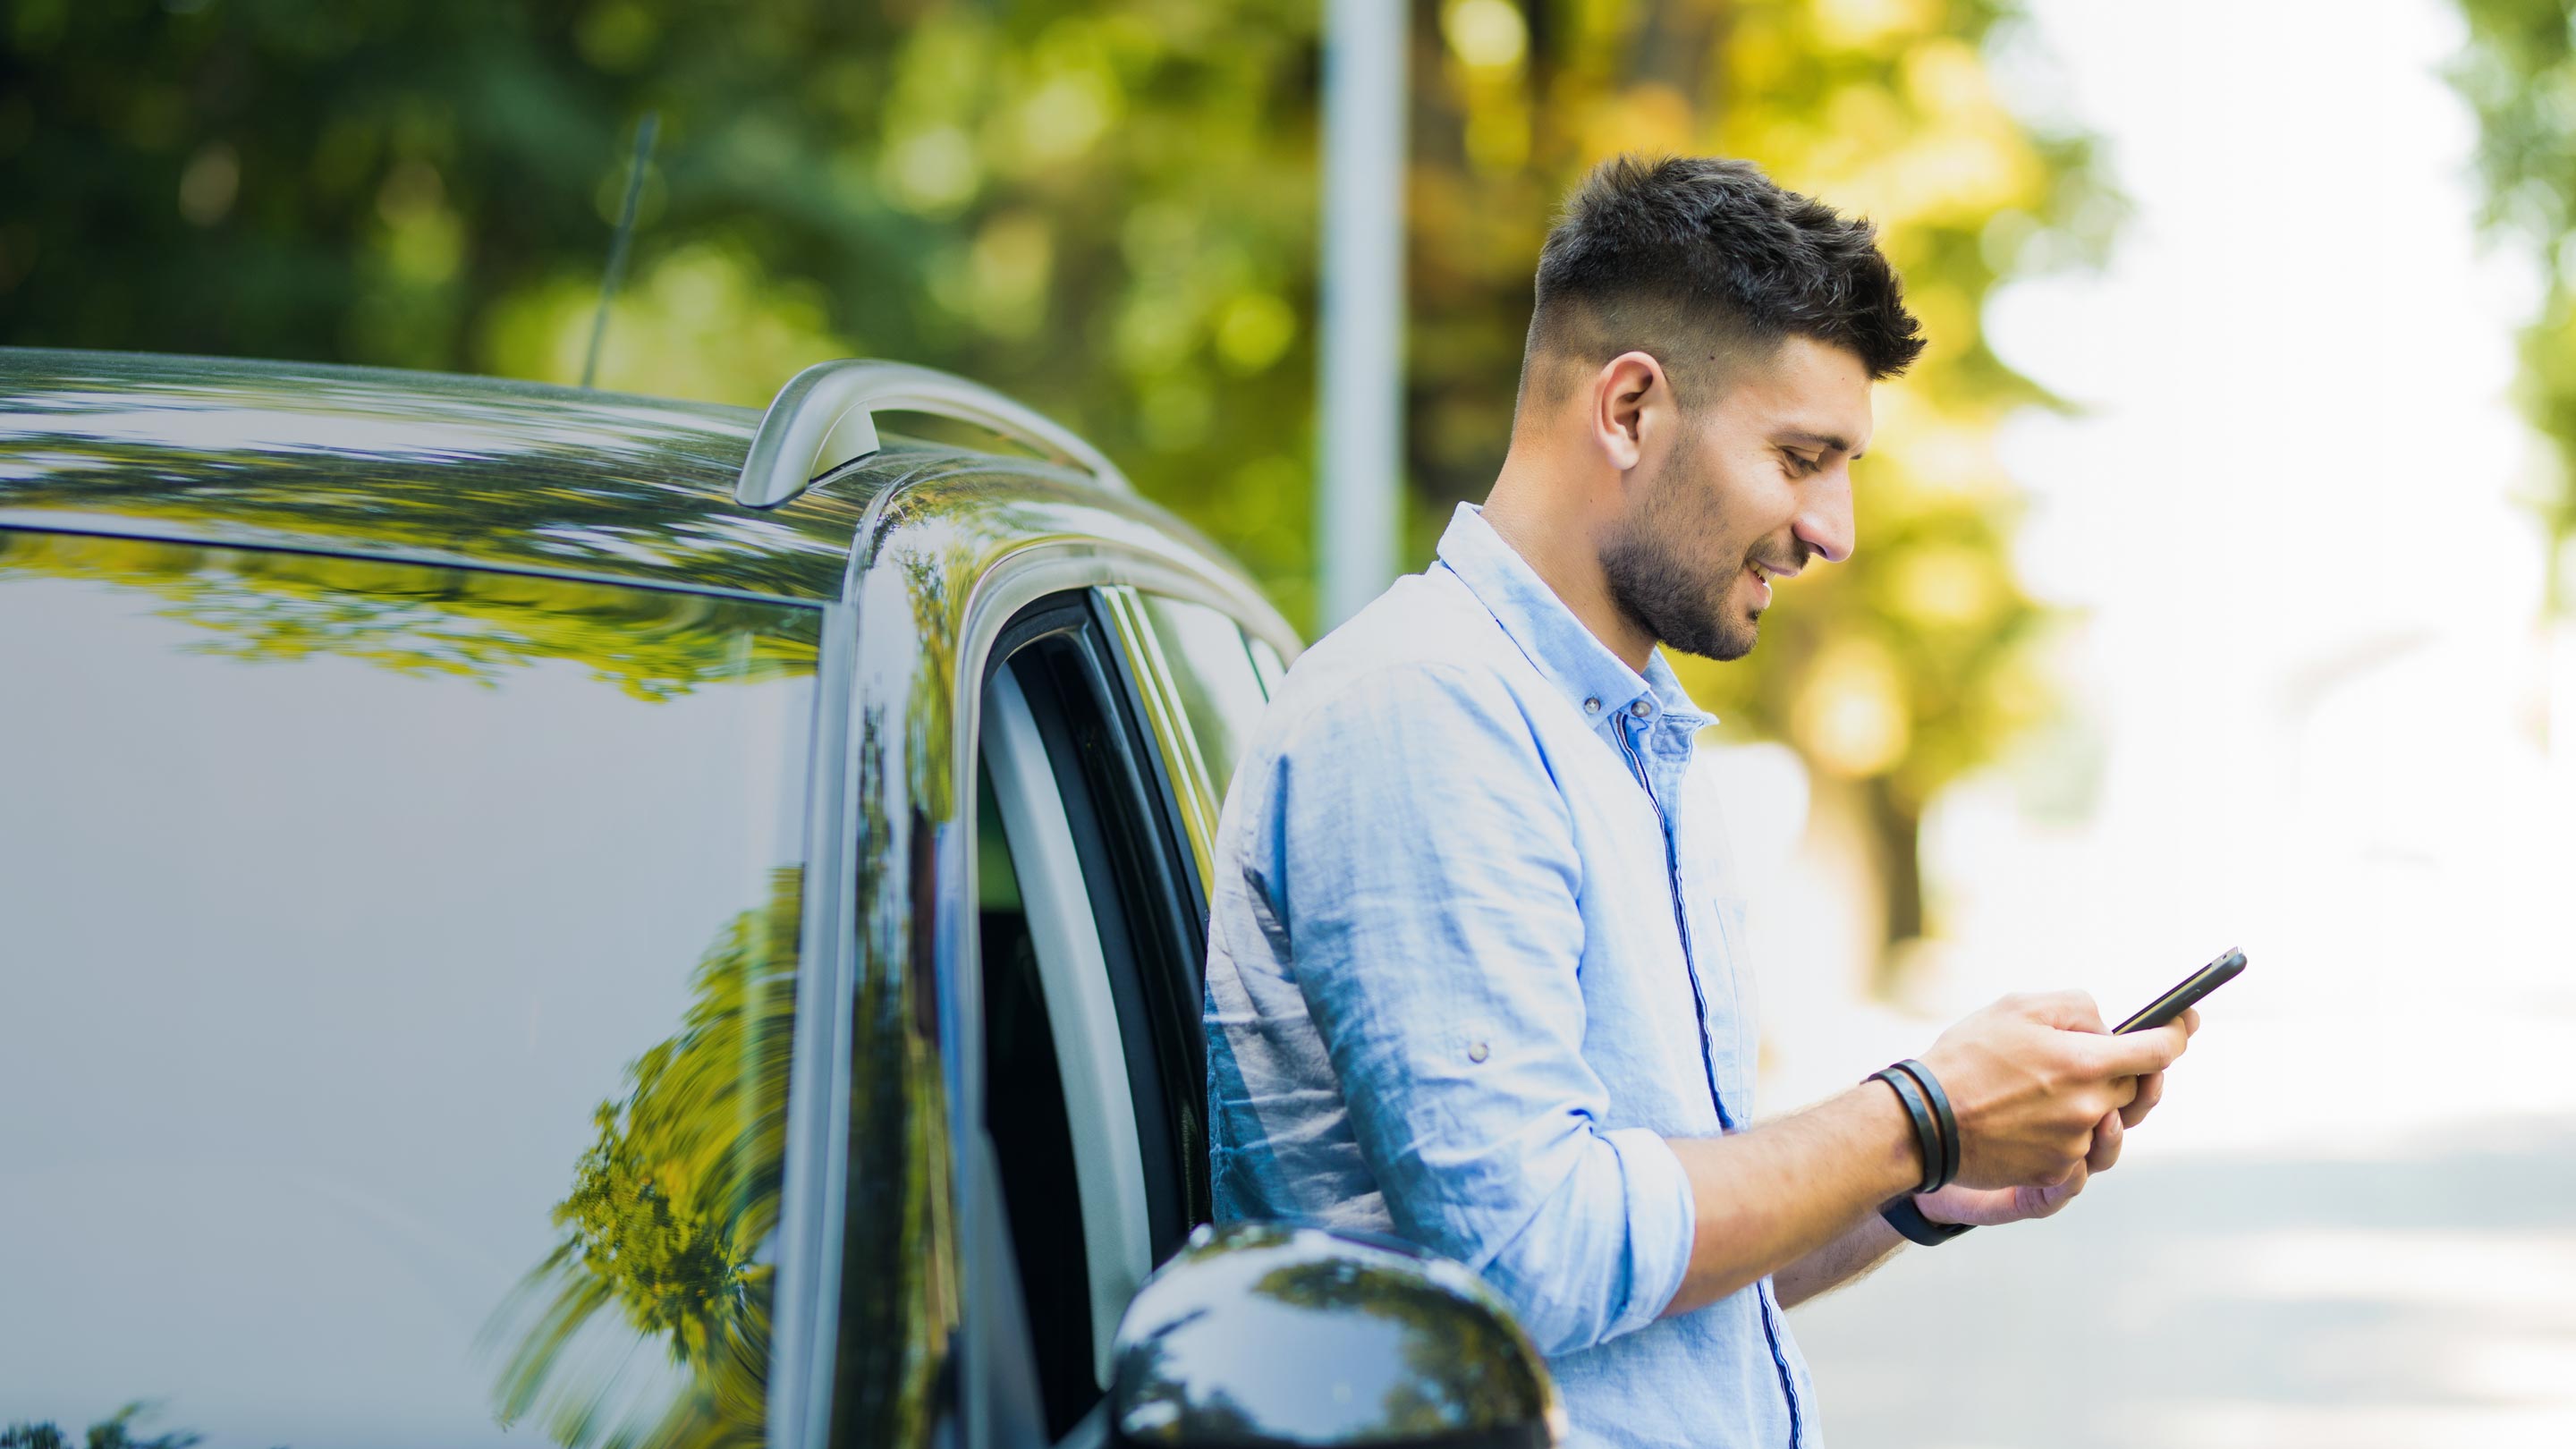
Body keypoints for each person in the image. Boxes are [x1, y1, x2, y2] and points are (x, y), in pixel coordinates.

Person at [1200, 155, 2198, 1448]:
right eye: (1802, 457)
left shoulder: (1621, 744)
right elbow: (1532, 1256)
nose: (1834, 529)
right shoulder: (1423, 715)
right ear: (1628, 410)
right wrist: (1926, 1111)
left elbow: (1655, 1276)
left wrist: (1929, 1181)